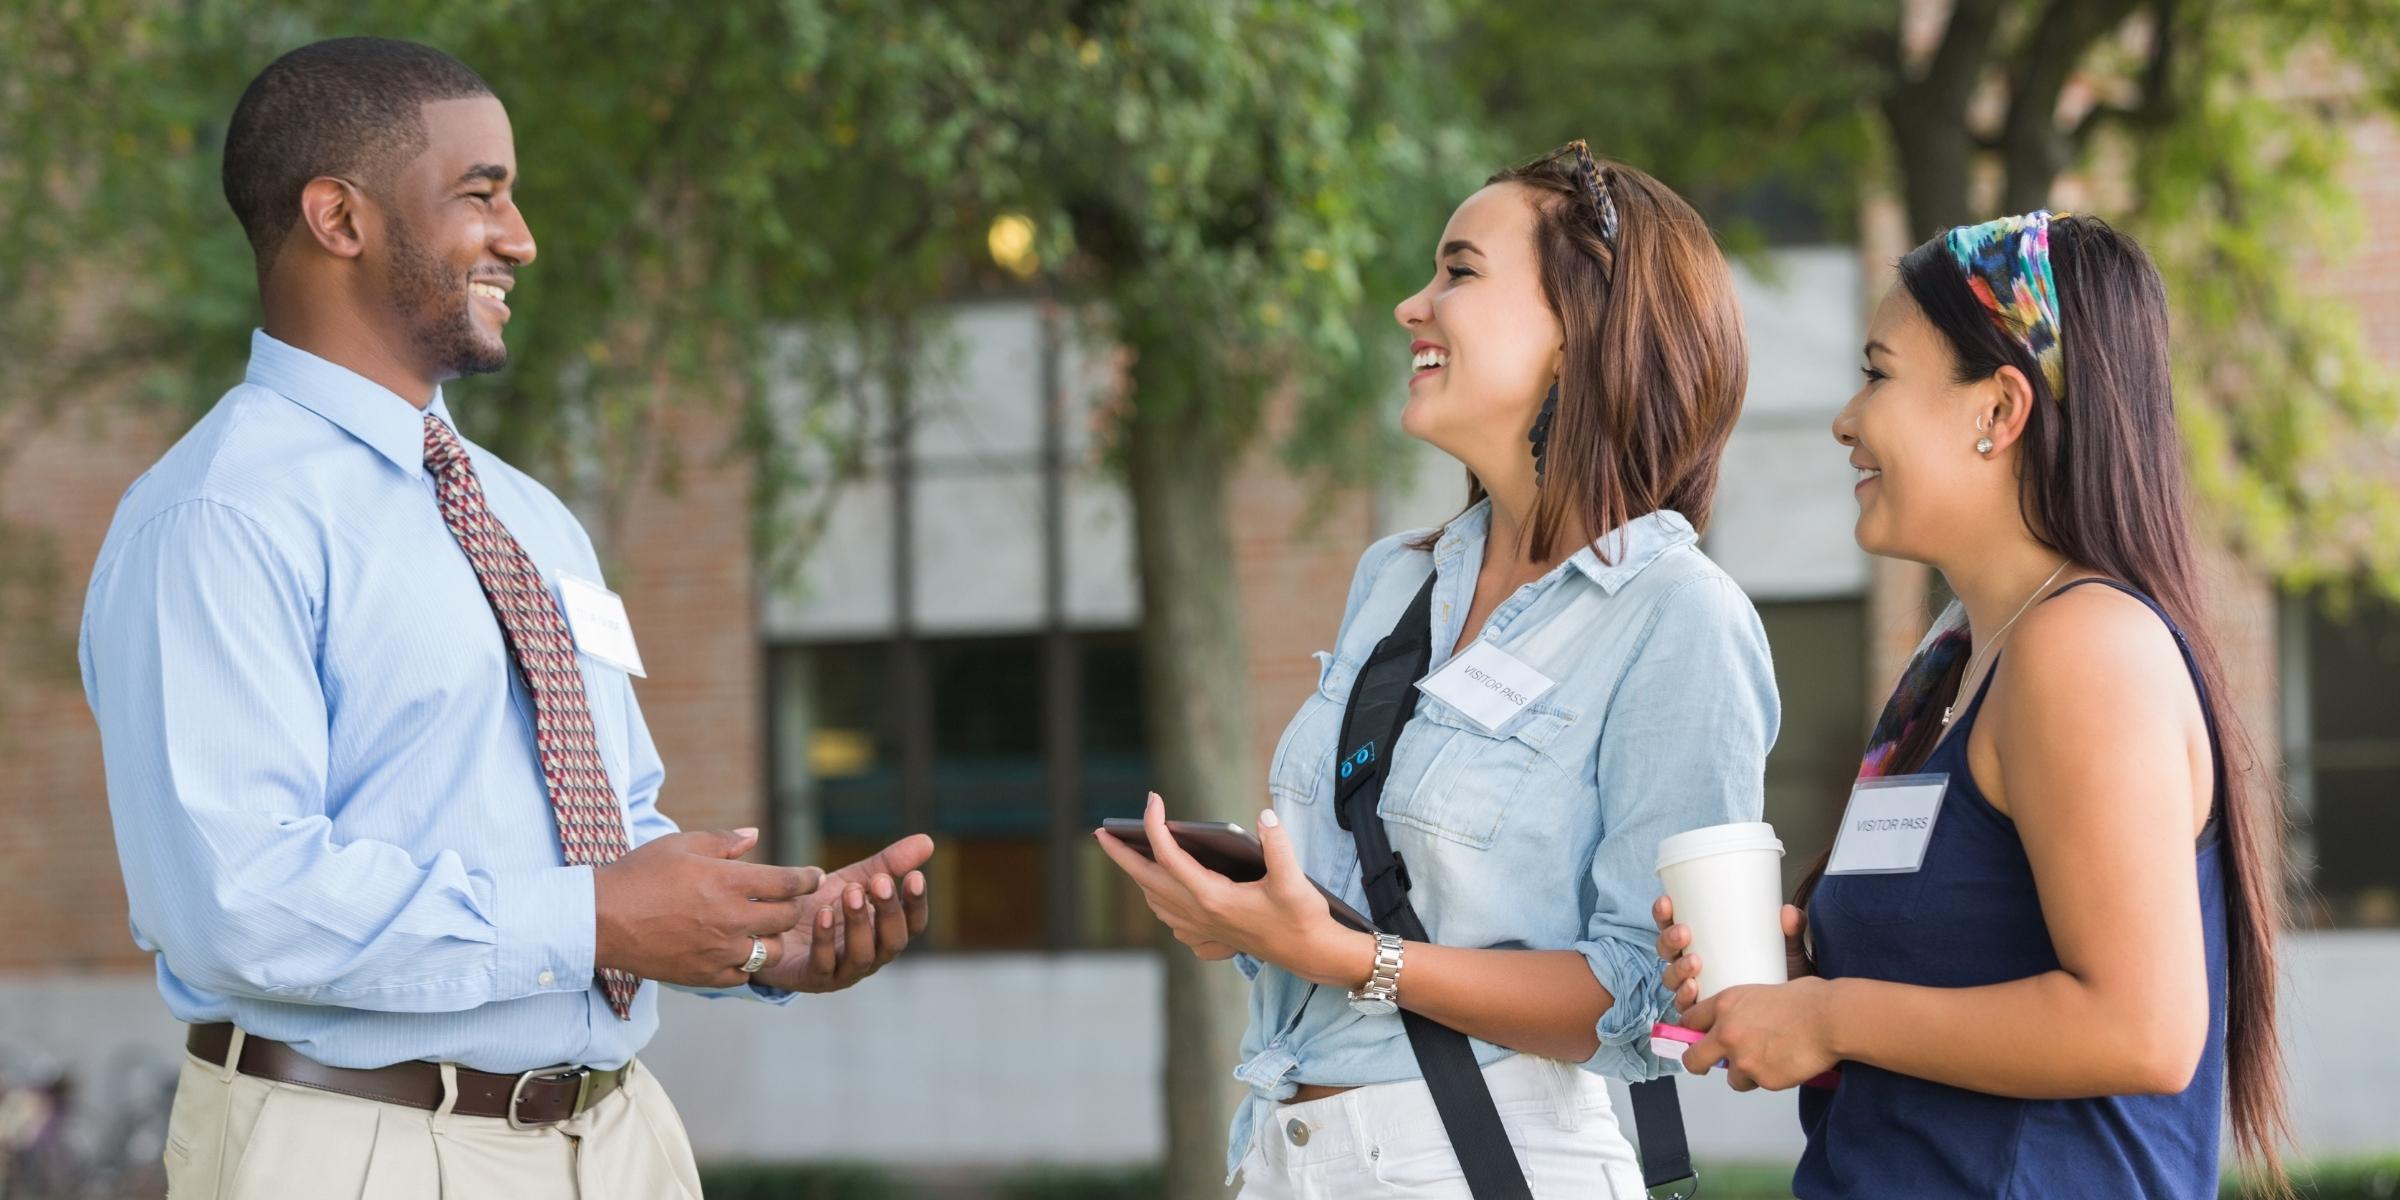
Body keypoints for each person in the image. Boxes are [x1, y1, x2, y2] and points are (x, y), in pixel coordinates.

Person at [79, 37, 934, 1199]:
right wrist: (591, 921)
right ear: (340, 217)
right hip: (354, 1148)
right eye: (482, 194)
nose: (521, 236)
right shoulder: (219, 516)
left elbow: (606, 826)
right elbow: (239, 899)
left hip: (621, 1141)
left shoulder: (528, 518)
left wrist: (758, 939)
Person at [1096, 141, 1779, 1198]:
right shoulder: (1398, 579)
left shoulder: (1678, 616)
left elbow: (1651, 1004)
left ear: (1578, 328)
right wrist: (1246, 923)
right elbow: (1370, 898)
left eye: (1459, 272)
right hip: (1283, 1155)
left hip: (1481, 1162)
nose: (1415, 306)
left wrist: (1351, 959)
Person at [1652, 212, 2289, 1197]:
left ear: (1998, 409)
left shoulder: (2084, 651)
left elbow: (2144, 1030)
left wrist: (1831, 1019)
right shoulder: (1954, 665)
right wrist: (1785, 994)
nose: (1845, 420)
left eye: (1877, 374)